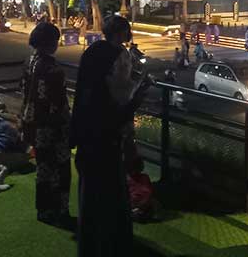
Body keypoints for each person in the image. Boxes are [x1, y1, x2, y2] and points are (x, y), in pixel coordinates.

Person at [70, 15, 152, 257]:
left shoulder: (92, 51)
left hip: (86, 131)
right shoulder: (119, 56)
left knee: (90, 192)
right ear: (122, 33)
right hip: (107, 135)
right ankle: (111, 244)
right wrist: (141, 90)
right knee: (110, 192)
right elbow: (122, 97)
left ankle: (90, 244)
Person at [19, 22, 73, 226]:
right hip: (53, 127)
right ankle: (60, 210)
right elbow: (59, 103)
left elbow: (24, 92)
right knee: (60, 169)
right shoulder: (53, 68)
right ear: (51, 43)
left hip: (33, 122)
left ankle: (43, 210)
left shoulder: (29, 62)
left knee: (43, 169)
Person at [127, 156, 158, 222]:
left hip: (143, 203)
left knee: (154, 202)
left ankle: (137, 213)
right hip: (138, 203)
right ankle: (138, 213)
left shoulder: (144, 177)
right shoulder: (130, 179)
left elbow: (149, 191)